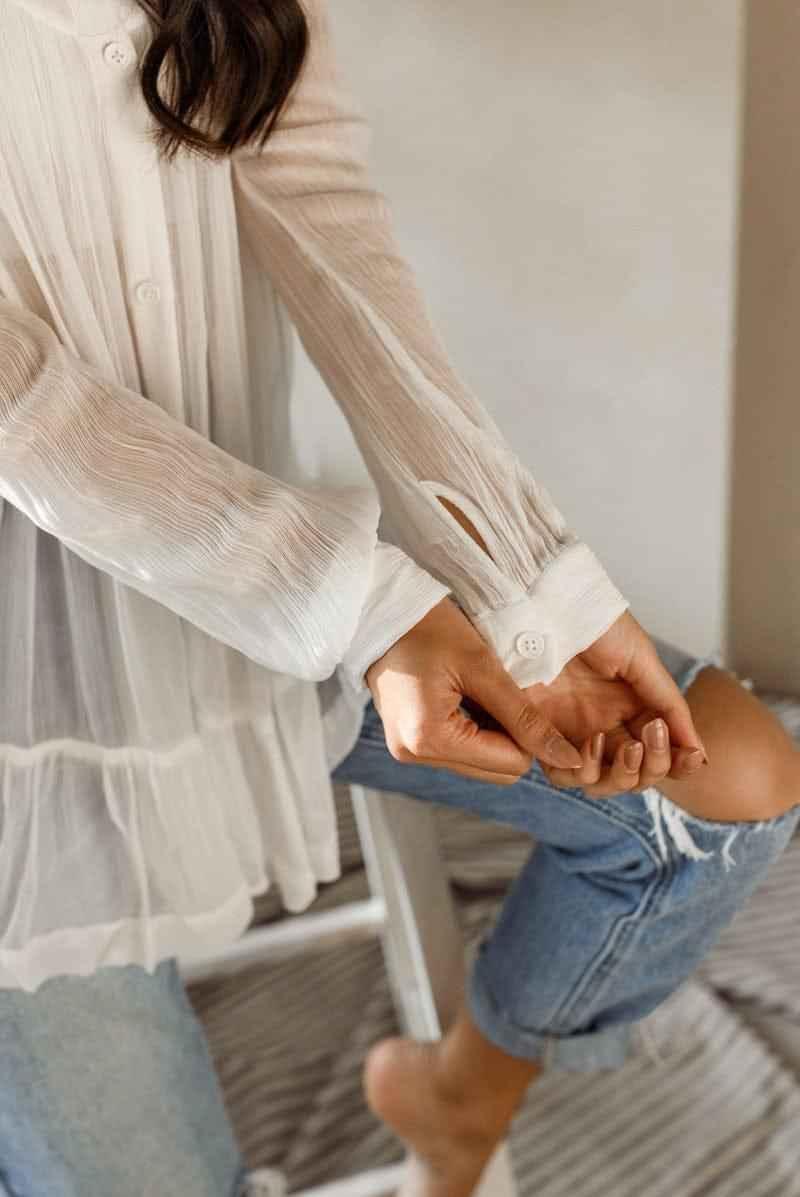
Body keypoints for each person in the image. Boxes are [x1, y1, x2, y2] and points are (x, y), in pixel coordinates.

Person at [0, 1, 797, 1195]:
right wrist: (366, 609)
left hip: (267, 612)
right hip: (30, 751)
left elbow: (321, 213)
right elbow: (24, 407)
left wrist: (527, 584)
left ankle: (457, 1098)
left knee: (726, 785)